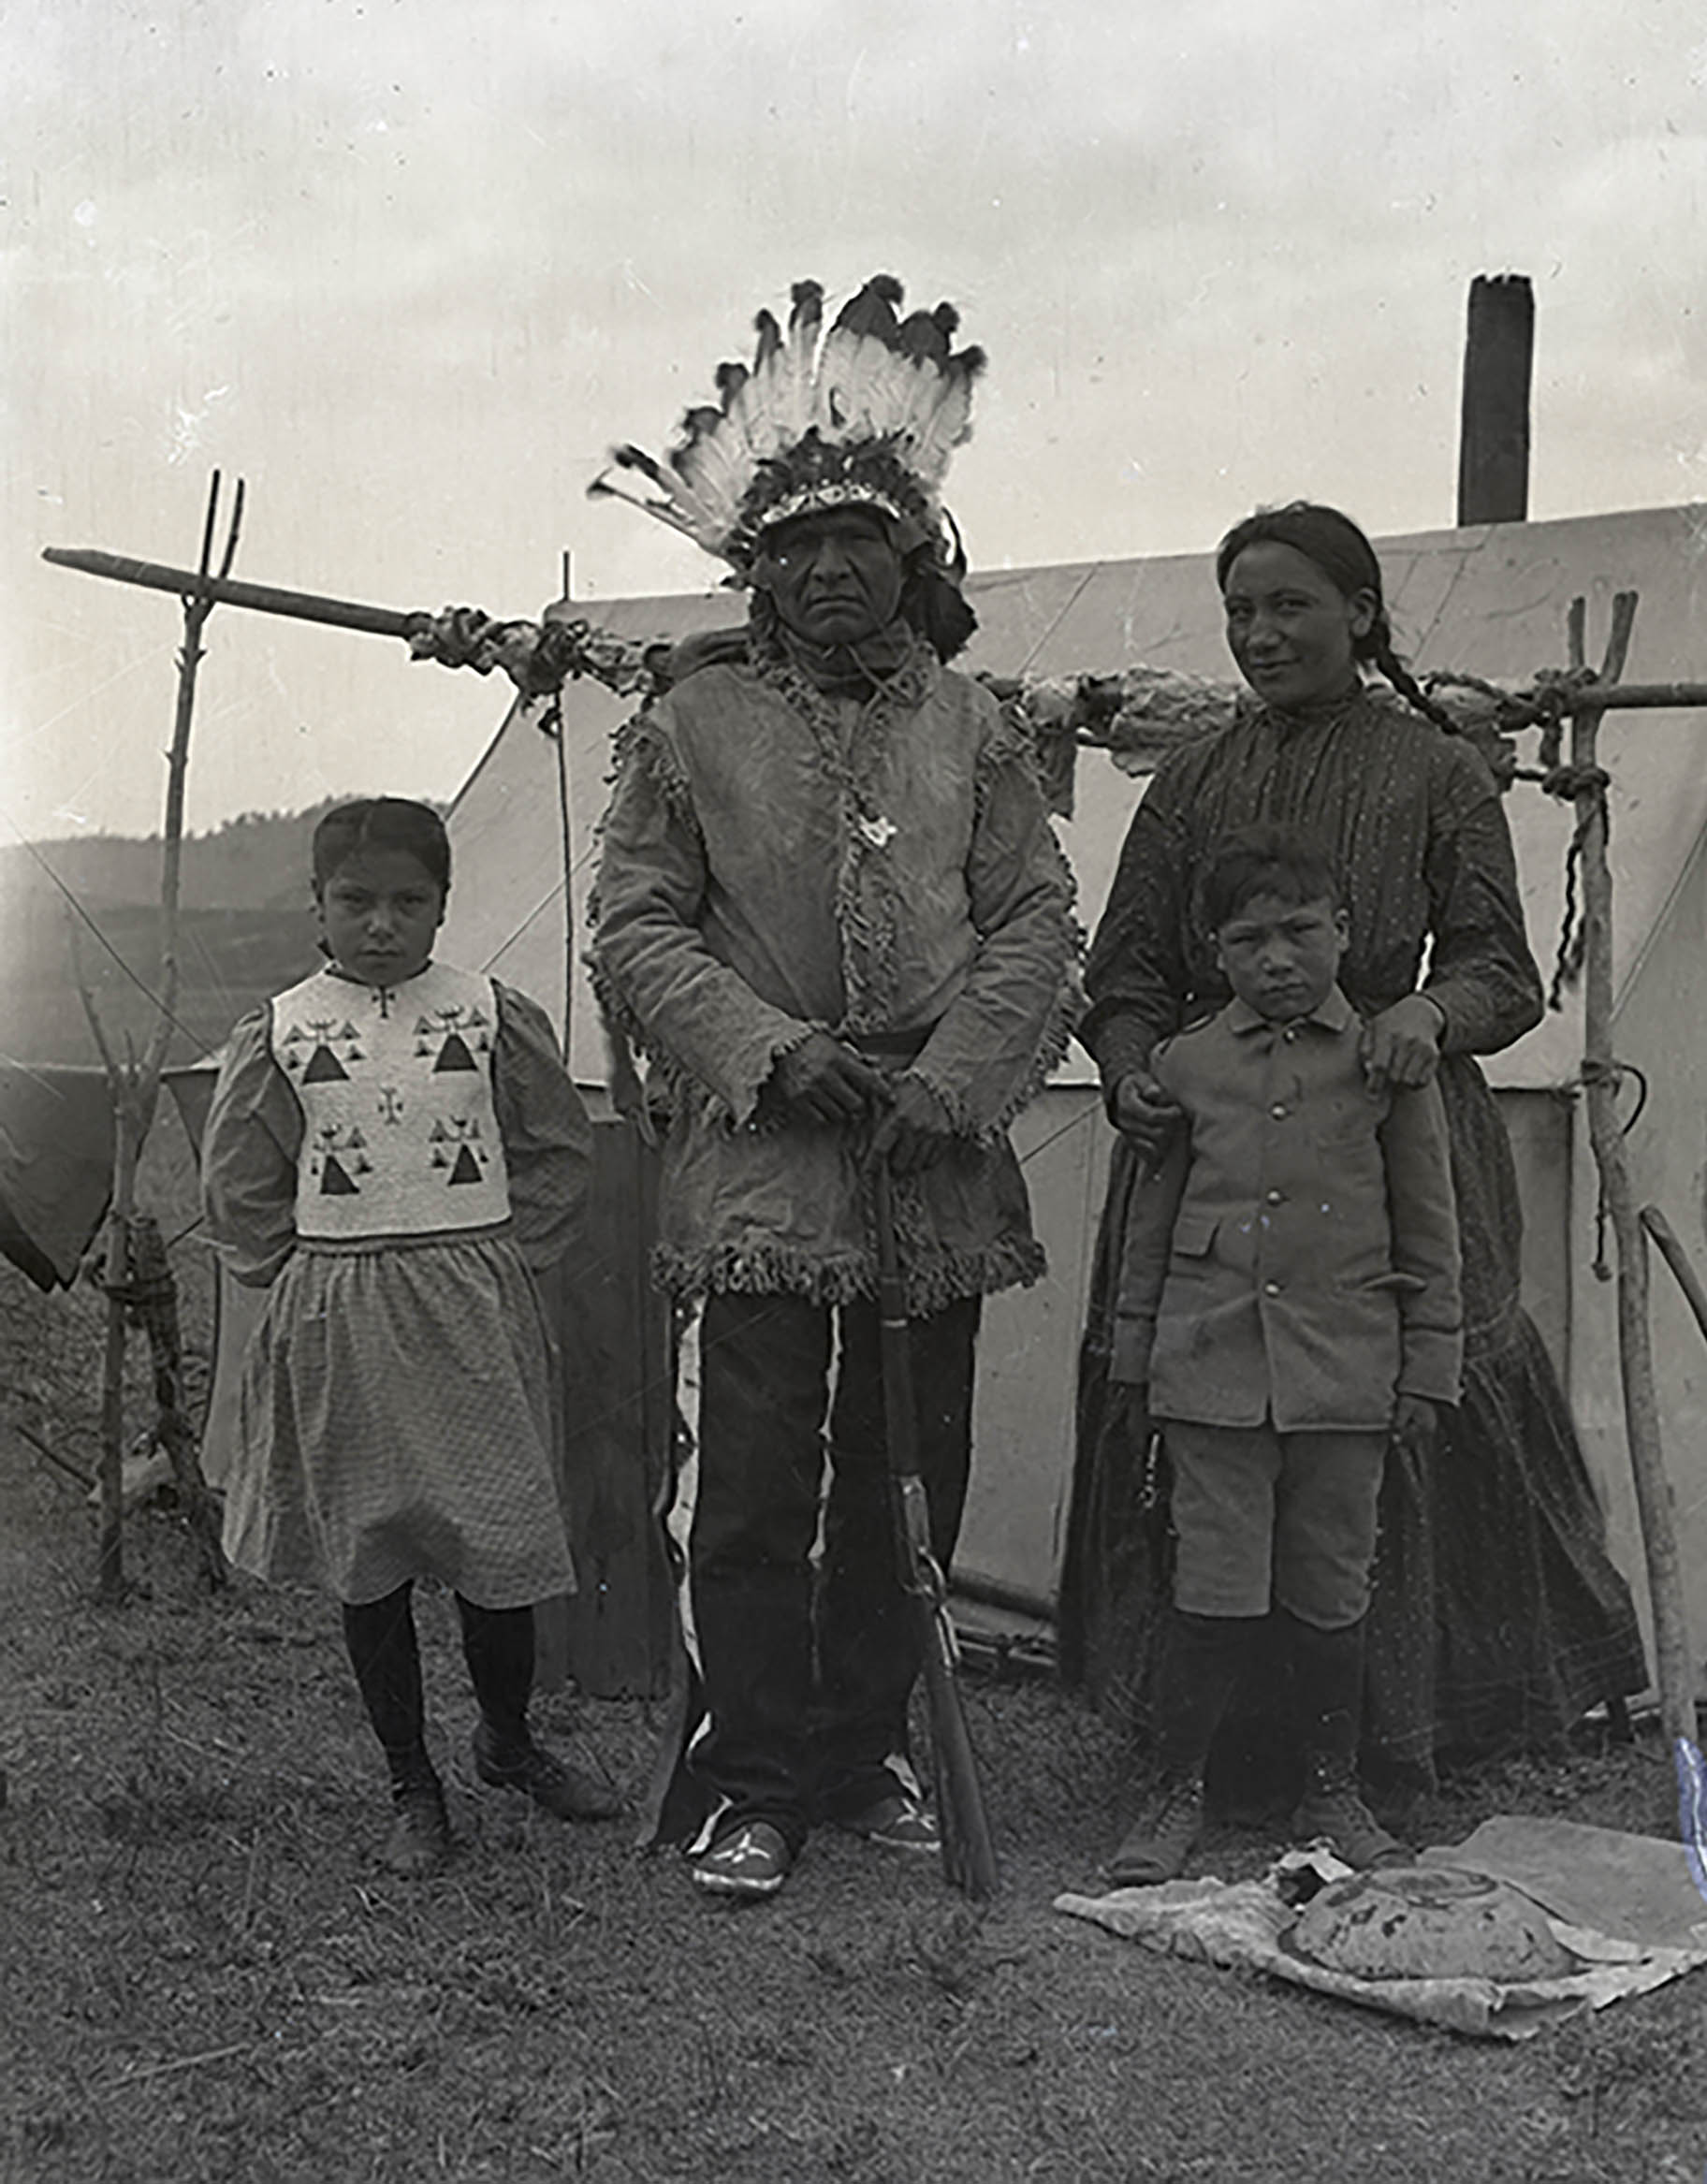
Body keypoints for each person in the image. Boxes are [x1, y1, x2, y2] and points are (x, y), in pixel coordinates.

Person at [590, 277, 1081, 1901]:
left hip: (929, 1166)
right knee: (751, 1483)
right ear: (755, 567)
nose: (822, 573)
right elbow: (639, 925)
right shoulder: (691, 725)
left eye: (855, 541)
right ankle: (752, 1779)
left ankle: (864, 1751)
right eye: (791, 547)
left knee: (900, 1473)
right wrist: (767, 1049)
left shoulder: (978, 732)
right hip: (763, 1168)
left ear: (916, 552)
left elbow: (1031, 917)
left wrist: (949, 1082)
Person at [1066, 502, 1645, 1813]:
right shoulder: (1191, 781)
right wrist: (1127, 1071)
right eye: (1241, 612)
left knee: (1382, 1432)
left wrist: (1427, 1017)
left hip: (1393, 1138)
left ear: (1362, 614)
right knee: (1209, 1443)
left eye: (1291, 606)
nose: (1262, 634)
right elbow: (1126, 973)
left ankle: (1390, 1741)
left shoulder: (1438, 771)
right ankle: (1210, 1758)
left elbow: (1500, 964)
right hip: (1211, 1153)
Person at [201, 797, 618, 1873]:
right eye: (356, 902)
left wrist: (499, 1258)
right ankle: (409, 1779)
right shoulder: (284, 1027)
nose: (381, 924)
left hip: (473, 1304)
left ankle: (508, 1739)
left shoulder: (486, 1013)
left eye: (407, 902)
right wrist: (299, 1273)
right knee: (371, 1548)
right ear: (318, 907)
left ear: (441, 906)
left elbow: (556, 1144)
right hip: (341, 1311)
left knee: (496, 1539)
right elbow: (241, 1180)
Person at [1103, 825, 1461, 1884]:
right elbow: (1151, 1223)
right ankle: (1176, 1795)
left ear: (1344, 933)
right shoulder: (1184, 1064)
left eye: (1301, 932)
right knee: (1211, 1586)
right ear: (1216, 953)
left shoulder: (1389, 1061)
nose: (1277, 959)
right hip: (1213, 1367)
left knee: (1331, 1584)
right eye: (1249, 940)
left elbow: (1429, 1224)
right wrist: (1135, 1359)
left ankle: (1333, 1790)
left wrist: (1426, 1368)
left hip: (1347, 1369)